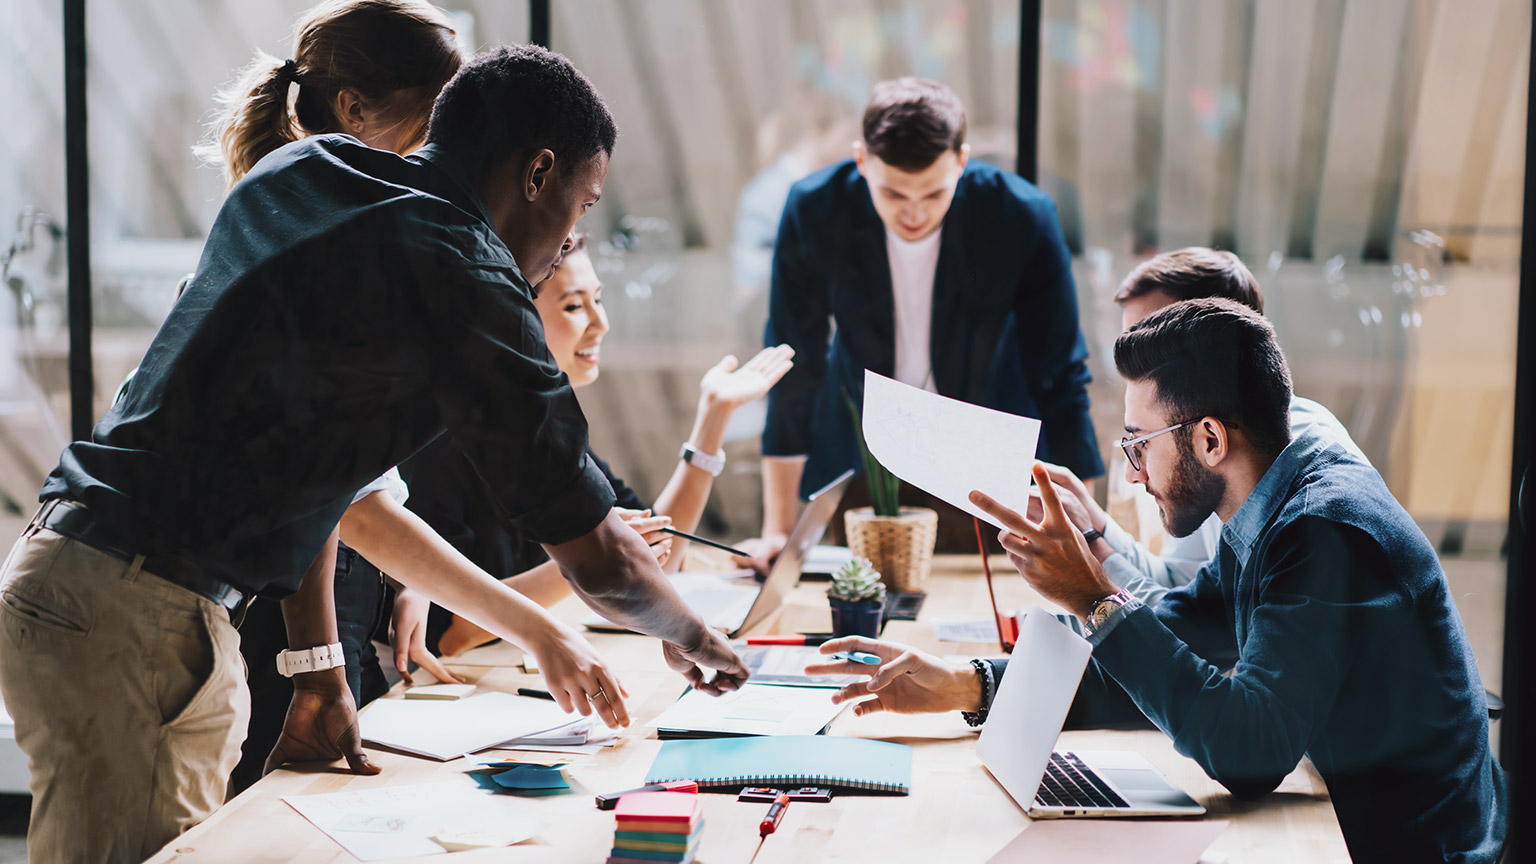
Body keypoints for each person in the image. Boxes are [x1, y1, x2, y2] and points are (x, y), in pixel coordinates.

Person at [0, 44, 746, 864]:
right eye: (584, 202)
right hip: (139, 618)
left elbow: (317, 469)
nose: (573, 237)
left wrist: (319, 670)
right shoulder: (461, 268)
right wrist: (696, 639)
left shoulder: (309, 172)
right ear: (539, 173)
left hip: (76, 574)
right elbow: (599, 559)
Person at [809, 299, 1507, 863]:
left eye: (1139, 446)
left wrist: (1093, 596)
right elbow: (1183, 635)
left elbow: (1249, 753)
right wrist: (971, 683)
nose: (1133, 475)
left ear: (1209, 439)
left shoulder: (1322, 529)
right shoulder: (1270, 504)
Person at [749, 77, 1101, 562]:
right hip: (861, 463)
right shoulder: (814, 209)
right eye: (893, 194)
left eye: (933, 195)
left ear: (961, 161)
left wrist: (1090, 537)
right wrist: (778, 530)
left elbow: (1061, 373)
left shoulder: (1020, 215)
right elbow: (794, 367)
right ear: (861, 161)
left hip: (990, 464)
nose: (913, 213)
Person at [402, 236, 795, 656]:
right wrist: (591, 562)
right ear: (510, 319)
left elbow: (658, 554)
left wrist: (713, 418)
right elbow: (449, 634)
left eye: (598, 300)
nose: (600, 323)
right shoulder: (439, 443)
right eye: (573, 306)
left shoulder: (548, 431)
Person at [1036, 247, 1368, 606]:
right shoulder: (1206, 464)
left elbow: (1199, 642)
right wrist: (1093, 522)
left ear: (1212, 332)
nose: (1136, 365)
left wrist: (1090, 559)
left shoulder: (1277, 475)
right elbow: (1184, 594)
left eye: (1153, 337)